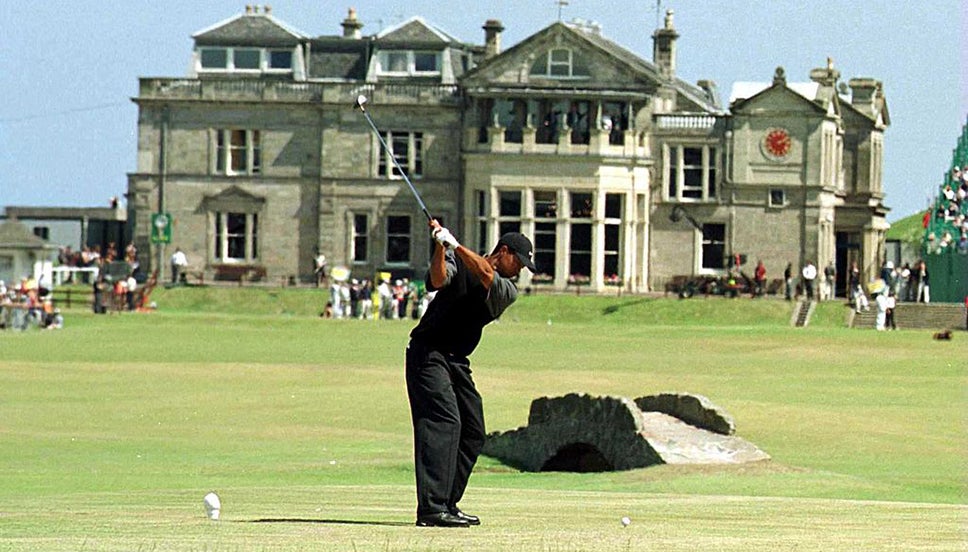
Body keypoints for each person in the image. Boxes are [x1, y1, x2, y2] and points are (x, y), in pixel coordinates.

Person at [405, 220, 536, 528]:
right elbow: (437, 280)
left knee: (474, 431)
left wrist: (455, 244)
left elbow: (486, 274)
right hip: (428, 353)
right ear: (504, 251)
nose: (520, 269)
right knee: (444, 421)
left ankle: (448, 502)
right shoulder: (457, 259)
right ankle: (432, 508)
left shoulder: (507, 290)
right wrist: (441, 247)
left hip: (457, 361)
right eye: (518, 261)